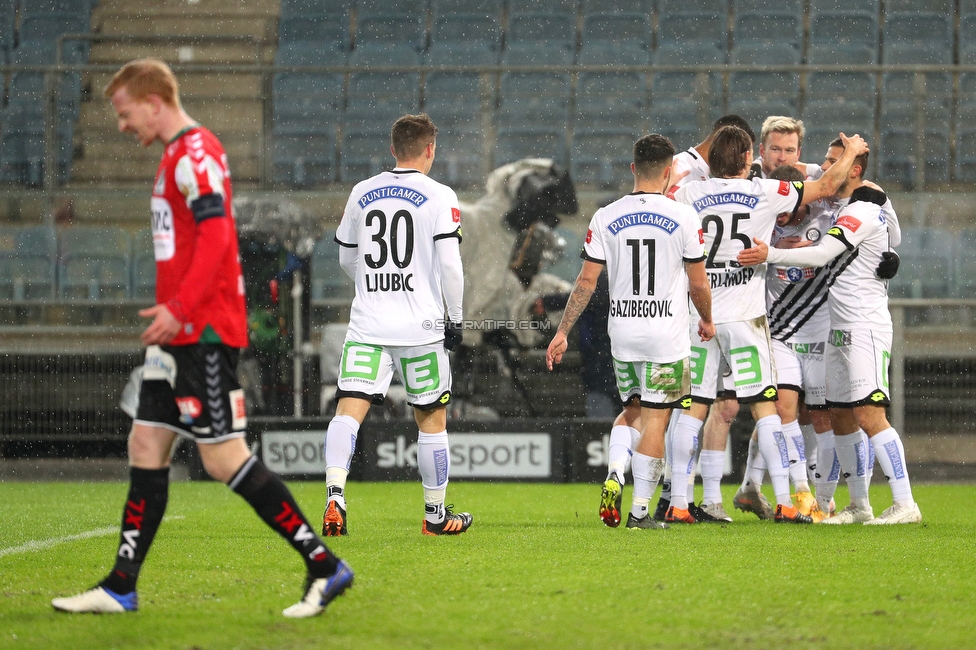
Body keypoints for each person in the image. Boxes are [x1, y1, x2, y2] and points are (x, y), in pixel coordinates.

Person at [52, 59, 352, 618]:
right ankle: (121, 586)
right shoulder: (175, 156)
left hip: (203, 334)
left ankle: (324, 565)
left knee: (222, 460)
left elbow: (219, 236)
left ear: (154, 101)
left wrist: (181, 308)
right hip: (179, 335)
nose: (121, 126)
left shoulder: (195, 154)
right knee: (146, 446)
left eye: (124, 112)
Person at [670, 125, 869, 524]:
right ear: (749, 159)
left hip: (700, 318)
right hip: (745, 318)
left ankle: (678, 502)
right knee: (766, 409)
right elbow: (829, 185)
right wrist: (853, 152)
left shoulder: (689, 195)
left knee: (692, 410)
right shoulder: (765, 193)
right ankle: (786, 500)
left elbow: (664, 195)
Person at [546, 133, 715, 530]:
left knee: (631, 411)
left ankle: (615, 472)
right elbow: (698, 283)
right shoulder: (684, 216)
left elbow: (586, 282)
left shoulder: (606, 215)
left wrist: (562, 331)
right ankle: (640, 511)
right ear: (670, 171)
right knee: (657, 420)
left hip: (622, 333)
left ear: (633, 168)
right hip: (666, 337)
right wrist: (706, 319)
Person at [321, 113, 472, 537]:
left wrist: (374, 287)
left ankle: (335, 495)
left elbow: (345, 258)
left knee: (348, 413)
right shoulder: (440, 195)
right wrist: (455, 318)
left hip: (368, 325)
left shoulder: (362, 192)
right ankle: (436, 516)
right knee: (431, 419)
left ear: (393, 149)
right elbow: (450, 265)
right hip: (420, 328)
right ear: (430, 149)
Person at [738, 183, 921, 524]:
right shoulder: (842, 207)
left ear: (854, 172)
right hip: (839, 327)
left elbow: (825, 253)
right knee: (840, 415)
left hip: (864, 325)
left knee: (869, 414)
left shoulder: (859, 210)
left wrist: (772, 254)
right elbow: (890, 236)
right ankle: (859, 504)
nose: (826, 168)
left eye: (835, 161)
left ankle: (905, 503)